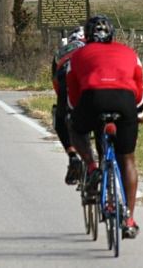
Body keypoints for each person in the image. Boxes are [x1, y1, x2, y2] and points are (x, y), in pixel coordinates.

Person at [66, 14, 143, 239]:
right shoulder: (130, 53)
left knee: (76, 129)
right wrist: (138, 113)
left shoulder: (78, 54)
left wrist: (75, 114)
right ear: (112, 35)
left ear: (87, 37)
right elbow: (139, 87)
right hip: (125, 101)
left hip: (93, 98)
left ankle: (92, 167)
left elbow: (73, 92)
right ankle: (128, 219)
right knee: (127, 158)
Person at [51, 26, 86, 185]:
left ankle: (72, 155)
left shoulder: (61, 52)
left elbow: (56, 83)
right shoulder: (94, 48)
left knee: (61, 119)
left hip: (66, 83)